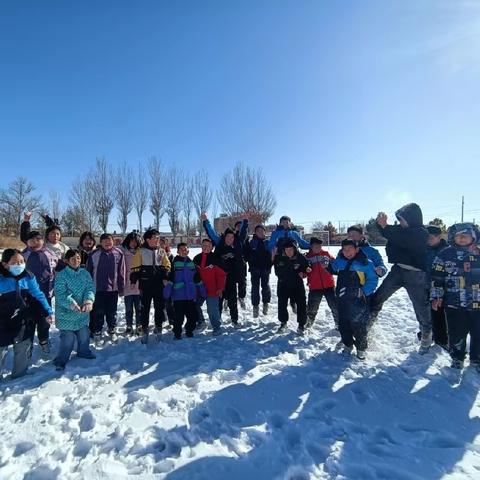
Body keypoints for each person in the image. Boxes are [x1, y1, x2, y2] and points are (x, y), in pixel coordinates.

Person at [369, 203, 432, 354]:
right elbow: (388, 232)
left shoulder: (420, 233)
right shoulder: (401, 230)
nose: (401, 223)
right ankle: (368, 323)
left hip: (416, 275)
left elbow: (396, 235)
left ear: (412, 219)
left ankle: (426, 335)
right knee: (378, 297)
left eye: (403, 220)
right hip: (398, 270)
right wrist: (381, 225)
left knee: (421, 307)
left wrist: (385, 227)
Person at [430, 223, 480, 370]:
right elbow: (436, 278)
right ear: (453, 237)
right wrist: (436, 296)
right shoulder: (445, 254)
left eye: (466, 235)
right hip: (454, 304)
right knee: (456, 333)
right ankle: (457, 357)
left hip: (477, 304)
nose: (462, 238)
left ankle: (477, 358)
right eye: (459, 236)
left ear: (474, 236)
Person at [0, 249, 54, 379]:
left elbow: (38, 295)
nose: (19, 265)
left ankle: (18, 377)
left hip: (22, 317)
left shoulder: (28, 276)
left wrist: (48, 311)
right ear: (5, 264)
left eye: (21, 261)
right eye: (14, 262)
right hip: (2, 319)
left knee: (23, 346)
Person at [329, 239, 378, 360]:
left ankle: (361, 349)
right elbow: (332, 268)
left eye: (350, 249)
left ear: (356, 249)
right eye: (344, 249)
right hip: (342, 299)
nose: (347, 252)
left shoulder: (366, 263)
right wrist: (327, 265)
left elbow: (372, 280)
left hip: (358, 301)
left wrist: (363, 292)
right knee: (343, 324)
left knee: (359, 325)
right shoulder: (340, 261)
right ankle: (348, 345)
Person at [201, 213, 248, 327]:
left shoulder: (237, 243)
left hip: (232, 276)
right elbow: (211, 233)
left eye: (231, 237)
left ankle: (235, 320)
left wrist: (245, 220)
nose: (229, 239)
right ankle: (218, 320)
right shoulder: (219, 242)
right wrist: (206, 221)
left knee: (232, 300)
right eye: (227, 236)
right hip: (220, 277)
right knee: (220, 300)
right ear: (224, 237)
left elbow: (243, 232)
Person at [53, 249, 96, 371]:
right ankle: (61, 360)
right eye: (72, 258)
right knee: (68, 340)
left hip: (82, 313)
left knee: (84, 335)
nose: (76, 260)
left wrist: (89, 300)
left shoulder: (85, 273)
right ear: (66, 260)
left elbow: (90, 288)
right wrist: (71, 304)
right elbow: (60, 293)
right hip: (66, 314)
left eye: (78, 258)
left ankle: (83, 352)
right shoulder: (61, 275)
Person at [21, 229, 58, 357]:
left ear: (43, 241)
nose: (35, 242)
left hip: (45, 294)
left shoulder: (50, 253)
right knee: (29, 322)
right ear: (27, 242)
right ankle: (28, 344)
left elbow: (59, 266)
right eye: (32, 240)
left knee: (44, 321)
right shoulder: (23, 255)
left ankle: (44, 340)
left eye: (38, 239)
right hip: (28, 297)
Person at [130, 228, 171, 343]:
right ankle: (144, 329)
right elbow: (135, 267)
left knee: (159, 307)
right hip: (145, 284)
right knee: (144, 308)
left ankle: (158, 327)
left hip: (158, 284)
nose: (157, 240)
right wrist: (133, 280)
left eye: (158, 237)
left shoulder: (161, 251)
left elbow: (167, 265)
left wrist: (165, 276)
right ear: (147, 239)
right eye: (154, 238)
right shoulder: (140, 251)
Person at [86, 233, 125, 345]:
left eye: (110, 241)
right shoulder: (94, 254)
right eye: (105, 241)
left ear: (113, 242)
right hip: (97, 288)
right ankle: (97, 331)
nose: (108, 243)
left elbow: (121, 271)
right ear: (101, 242)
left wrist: (121, 287)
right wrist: (88, 288)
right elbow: (89, 272)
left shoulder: (118, 253)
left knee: (112, 311)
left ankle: (112, 329)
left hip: (113, 289)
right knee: (98, 311)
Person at [164, 243, 205, 340]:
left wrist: (202, 291)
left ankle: (189, 330)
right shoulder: (174, 264)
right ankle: (177, 333)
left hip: (191, 296)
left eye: (185, 249)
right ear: (177, 251)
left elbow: (197, 279)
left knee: (192, 316)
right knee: (178, 318)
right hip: (178, 296)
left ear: (188, 251)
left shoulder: (192, 264)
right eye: (181, 249)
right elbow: (170, 279)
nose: (184, 251)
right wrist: (167, 292)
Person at [274, 238, 310, 335]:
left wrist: (304, 273)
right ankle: (283, 322)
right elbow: (277, 271)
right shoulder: (279, 258)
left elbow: (307, 267)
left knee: (301, 304)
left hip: (297, 285)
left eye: (291, 250)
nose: (289, 252)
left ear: (295, 249)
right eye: (287, 250)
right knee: (282, 304)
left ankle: (301, 325)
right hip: (283, 284)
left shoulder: (301, 257)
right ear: (284, 250)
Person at [193, 238, 227, 335]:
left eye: (208, 245)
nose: (206, 247)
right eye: (204, 245)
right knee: (194, 305)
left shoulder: (216, 258)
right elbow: (192, 273)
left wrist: (220, 288)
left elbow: (222, 275)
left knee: (212, 310)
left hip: (213, 289)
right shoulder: (196, 258)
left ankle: (217, 327)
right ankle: (201, 322)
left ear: (212, 247)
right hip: (199, 289)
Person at [305, 237, 339, 328]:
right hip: (315, 287)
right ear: (311, 247)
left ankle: (339, 325)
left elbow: (335, 264)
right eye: (316, 247)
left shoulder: (326, 254)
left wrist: (331, 264)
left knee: (335, 307)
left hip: (329, 285)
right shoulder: (307, 257)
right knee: (312, 308)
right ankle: (308, 324)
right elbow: (304, 271)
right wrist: (305, 271)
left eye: (320, 246)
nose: (318, 248)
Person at [425, 225, 448, 350]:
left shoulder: (447, 250)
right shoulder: (424, 249)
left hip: (443, 286)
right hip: (426, 284)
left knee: (439, 312)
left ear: (439, 237)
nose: (427, 240)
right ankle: (429, 333)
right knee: (427, 312)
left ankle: (442, 339)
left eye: (430, 237)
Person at [244, 224, 272, 317]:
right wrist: (251, 263)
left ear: (264, 231)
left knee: (265, 287)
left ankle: (265, 304)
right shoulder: (252, 242)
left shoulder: (268, 242)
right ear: (255, 232)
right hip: (254, 269)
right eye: (258, 230)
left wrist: (269, 265)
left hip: (265, 269)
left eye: (262, 230)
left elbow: (272, 255)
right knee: (255, 288)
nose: (260, 232)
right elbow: (247, 255)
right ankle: (255, 306)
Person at [120, 232, 143, 335]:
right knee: (128, 307)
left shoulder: (141, 252)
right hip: (127, 284)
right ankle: (129, 325)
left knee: (139, 307)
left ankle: (139, 325)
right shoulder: (122, 252)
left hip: (139, 284)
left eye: (135, 241)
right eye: (131, 241)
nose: (133, 243)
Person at [159, 237, 175, 328]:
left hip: (167, 282)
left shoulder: (170, 256)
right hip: (157, 282)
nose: (161, 245)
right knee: (160, 302)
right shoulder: (156, 254)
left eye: (163, 243)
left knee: (169, 302)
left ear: (166, 245)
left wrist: (168, 280)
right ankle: (163, 318)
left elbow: (172, 270)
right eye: (160, 243)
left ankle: (171, 320)